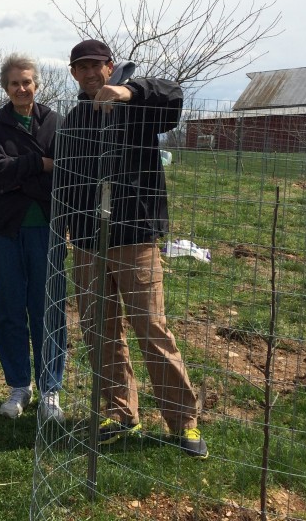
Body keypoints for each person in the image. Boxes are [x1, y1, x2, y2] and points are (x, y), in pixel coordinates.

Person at [55, 39, 207, 458]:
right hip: (87, 241)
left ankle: (184, 422)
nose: (89, 73)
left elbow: (173, 96)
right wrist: (70, 229)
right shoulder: (75, 118)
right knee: (100, 328)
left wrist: (130, 91)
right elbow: (68, 178)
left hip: (134, 236)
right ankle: (120, 411)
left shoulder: (136, 104)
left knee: (151, 327)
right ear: (73, 74)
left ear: (111, 67)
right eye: (81, 67)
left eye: (96, 66)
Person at [0, 54, 67, 423]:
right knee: (9, 309)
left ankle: (51, 389)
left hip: (46, 228)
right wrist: (38, 164)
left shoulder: (57, 124)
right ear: (5, 87)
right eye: (14, 83)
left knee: (48, 309)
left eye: (27, 81)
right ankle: (18, 386)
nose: (21, 88)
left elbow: (65, 171)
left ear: (37, 84)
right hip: (2, 231)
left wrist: (18, 174)